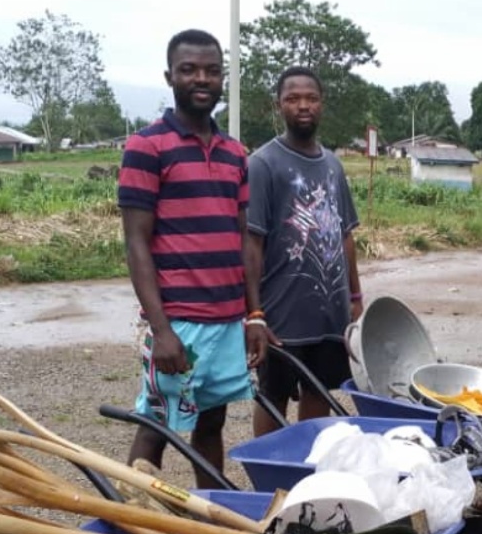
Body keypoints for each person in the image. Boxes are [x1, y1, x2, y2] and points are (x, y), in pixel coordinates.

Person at [116, 29, 268, 489]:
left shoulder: (235, 153)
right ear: (170, 77)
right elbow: (136, 242)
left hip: (227, 321)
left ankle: (210, 518)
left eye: (211, 70)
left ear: (223, 77)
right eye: (189, 70)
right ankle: (129, 526)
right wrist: (161, 330)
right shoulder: (146, 147)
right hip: (179, 320)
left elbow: (242, 238)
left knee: (211, 423)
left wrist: (254, 314)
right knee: (157, 425)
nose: (201, 79)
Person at [245, 66, 363, 437]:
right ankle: (269, 475)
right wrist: (255, 312)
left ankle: (307, 471)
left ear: (321, 104)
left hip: (329, 311)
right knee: (273, 394)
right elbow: (252, 243)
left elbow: (345, 234)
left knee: (319, 390)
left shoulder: (332, 164)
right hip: (282, 311)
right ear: (279, 105)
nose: (303, 106)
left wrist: (355, 296)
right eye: (293, 98)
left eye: (310, 98)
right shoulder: (263, 163)